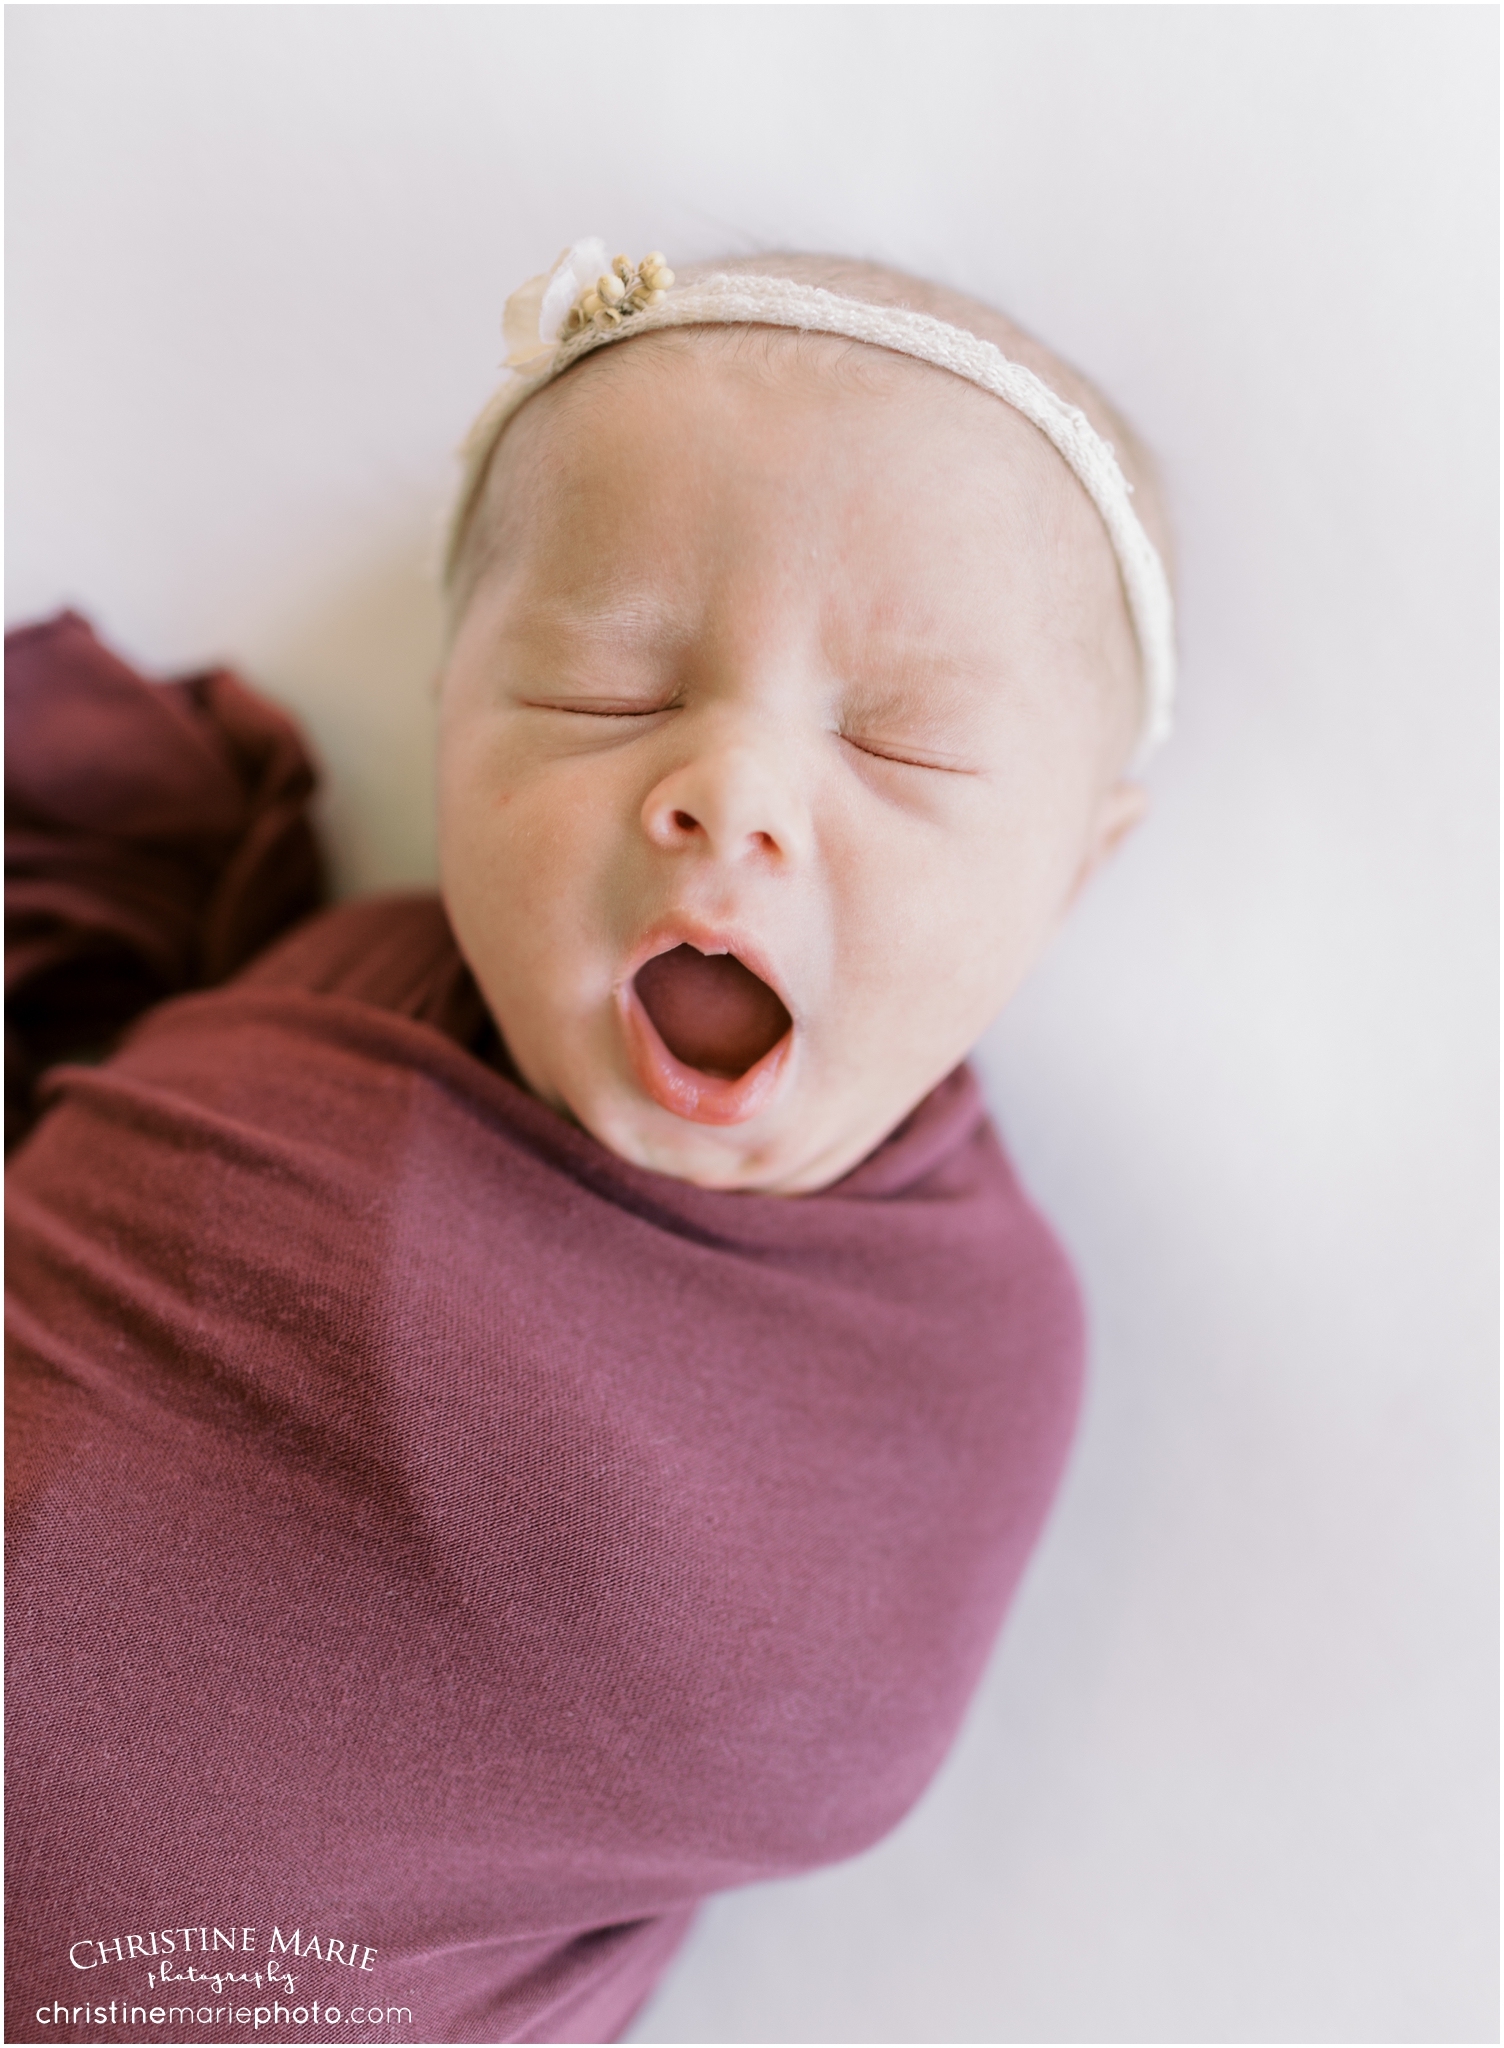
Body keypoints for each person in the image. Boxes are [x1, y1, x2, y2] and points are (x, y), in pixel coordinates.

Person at [5, 244, 1175, 2046]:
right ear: (453, 711)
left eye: (904, 744)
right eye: (608, 690)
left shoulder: (967, 1335)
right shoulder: (339, 987)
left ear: (1080, 868)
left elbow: (806, 1755)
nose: (734, 790)